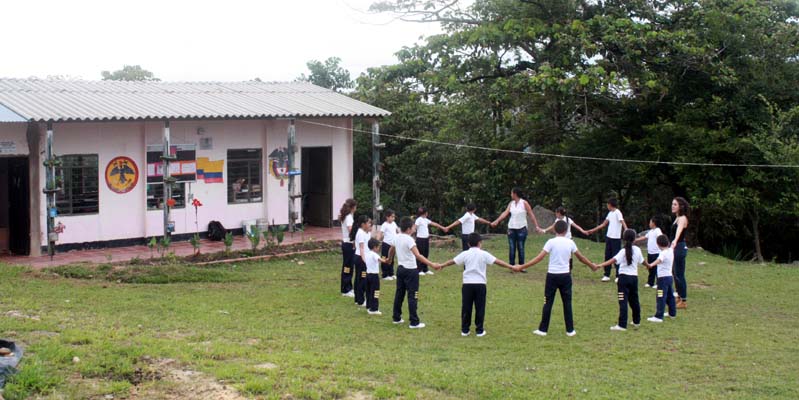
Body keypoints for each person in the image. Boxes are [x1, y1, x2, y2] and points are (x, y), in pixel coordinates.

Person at [513, 220, 598, 337]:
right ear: (566, 230)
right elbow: (581, 258)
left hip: (552, 276)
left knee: (547, 302)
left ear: (555, 230)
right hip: (565, 276)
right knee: (567, 303)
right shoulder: (570, 243)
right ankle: (570, 330)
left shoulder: (551, 242)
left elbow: (539, 258)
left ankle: (543, 330)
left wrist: (521, 266)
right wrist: (592, 265)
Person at [433, 233, 514, 337]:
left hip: (467, 284)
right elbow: (497, 262)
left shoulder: (465, 254)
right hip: (480, 284)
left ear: (468, 244)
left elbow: (452, 261)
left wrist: (441, 265)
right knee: (480, 307)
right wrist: (511, 267)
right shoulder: (484, 254)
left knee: (466, 307)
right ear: (480, 243)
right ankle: (479, 330)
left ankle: (465, 330)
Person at [392, 217, 438, 329]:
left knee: (399, 294)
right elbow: (418, 255)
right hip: (411, 271)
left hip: (400, 269)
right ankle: (414, 322)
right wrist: (432, 264)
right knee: (413, 296)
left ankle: (396, 317)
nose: (414, 228)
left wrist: (389, 259)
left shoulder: (397, 237)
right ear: (408, 229)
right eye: (413, 226)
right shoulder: (409, 240)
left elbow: (391, 249)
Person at [596, 229, 643, 331]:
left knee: (623, 300)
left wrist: (600, 265)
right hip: (634, 279)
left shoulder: (623, 251)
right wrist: (650, 266)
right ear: (635, 239)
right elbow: (643, 262)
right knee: (634, 300)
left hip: (623, 279)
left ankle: (622, 325)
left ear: (624, 238)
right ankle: (636, 321)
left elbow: (612, 260)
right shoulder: (638, 250)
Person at [490, 187, 543, 272]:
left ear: (515, 194)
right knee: (512, 247)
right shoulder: (511, 203)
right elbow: (505, 213)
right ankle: (512, 266)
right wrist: (497, 221)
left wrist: (536, 226)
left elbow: (531, 214)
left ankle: (522, 266)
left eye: (511, 193)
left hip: (521, 228)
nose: (511, 195)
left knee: (520, 247)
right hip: (511, 227)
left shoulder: (524, 203)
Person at [586, 198, 628, 282]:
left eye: (607, 204)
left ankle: (618, 275)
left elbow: (622, 222)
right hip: (609, 237)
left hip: (616, 238)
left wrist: (626, 231)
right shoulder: (610, 213)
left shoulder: (617, 212)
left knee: (616, 257)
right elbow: (604, 224)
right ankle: (606, 274)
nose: (607, 206)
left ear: (610, 204)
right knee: (607, 255)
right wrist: (593, 230)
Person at [542, 206, 588, 271]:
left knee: (569, 255)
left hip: (568, 239)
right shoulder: (557, 220)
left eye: (556, 213)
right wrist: (545, 230)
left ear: (559, 213)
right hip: (560, 239)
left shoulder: (567, 219)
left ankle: (569, 267)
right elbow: (553, 226)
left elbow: (575, 225)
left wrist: (582, 231)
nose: (556, 214)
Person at [644, 235, 677, 322]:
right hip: (669, 278)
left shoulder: (663, 253)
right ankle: (672, 313)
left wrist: (650, 265)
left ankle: (659, 316)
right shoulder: (670, 250)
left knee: (660, 296)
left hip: (662, 279)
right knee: (670, 296)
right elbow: (673, 244)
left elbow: (659, 260)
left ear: (658, 244)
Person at [414, 207, 447, 276]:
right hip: (420, 239)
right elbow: (415, 227)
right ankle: (419, 269)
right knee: (420, 254)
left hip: (426, 239)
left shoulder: (425, 220)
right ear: (425, 213)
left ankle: (425, 269)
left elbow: (434, 224)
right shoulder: (418, 220)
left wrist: (442, 227)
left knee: (426, 254)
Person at [670, 197, 690, 309]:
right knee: (675, 273)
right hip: (675, 247)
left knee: (679, 274)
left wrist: (675, 241)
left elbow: (679, 231)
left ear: (681, 206)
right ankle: (678, 295)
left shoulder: (682, 218)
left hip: (679, 247)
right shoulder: (677, 218)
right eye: (672, 204)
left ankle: (684, 300)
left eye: (675, 204)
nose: (673, 206)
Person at [634, 216, 663, 289]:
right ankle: (650, 282)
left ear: (654, 223)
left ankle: (658, 283)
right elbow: (645, 237)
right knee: (650, 268)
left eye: (650, 222)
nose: (649, 223)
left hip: (656, 253)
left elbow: (660, 237)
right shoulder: (651, 231)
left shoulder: (657, 230)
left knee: (657, 269)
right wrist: (636, 240)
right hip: (650, 253)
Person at [350, 215, 373, 307]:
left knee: (360, 278)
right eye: (368, 223)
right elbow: (361, 248)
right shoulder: (360, 233)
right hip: (360, 258)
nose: (370, 224)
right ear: (363, 224)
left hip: (364, 257)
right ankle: (360, 300)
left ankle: (358, 298)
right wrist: (365, 261)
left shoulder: (367, 233)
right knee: (361, 279)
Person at [365, 238, 391, 315]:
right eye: (378, 247)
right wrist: (388, 260)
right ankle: (374, 309)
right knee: (375, 292)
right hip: (374, 276)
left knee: (369, 291)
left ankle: (369, 306)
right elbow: (382, 260)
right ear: (374, 247)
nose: (379, 248)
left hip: (368, 275)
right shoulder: (374, 254)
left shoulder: (367, 253)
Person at [338, 199, 357, 298]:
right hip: (349, 244)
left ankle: (348, 287)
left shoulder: (346, 216)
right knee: (348, 267)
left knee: (348, 266)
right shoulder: (349, 217)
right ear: (353, 207)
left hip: (347, 243)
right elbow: (351, 231)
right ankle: (346, 289)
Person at [378, 209, 399, 281]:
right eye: (392, 217)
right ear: (387, 217)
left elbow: (397, 231)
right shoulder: (384, 225)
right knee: (384, 259)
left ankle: (391, 273)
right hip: (386, 244)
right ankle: (385, 274)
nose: (393, 218)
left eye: (394, 217)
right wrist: (377, 242)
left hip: (393, 245)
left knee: (391, 259)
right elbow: (380, 233)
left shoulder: (394, 223)